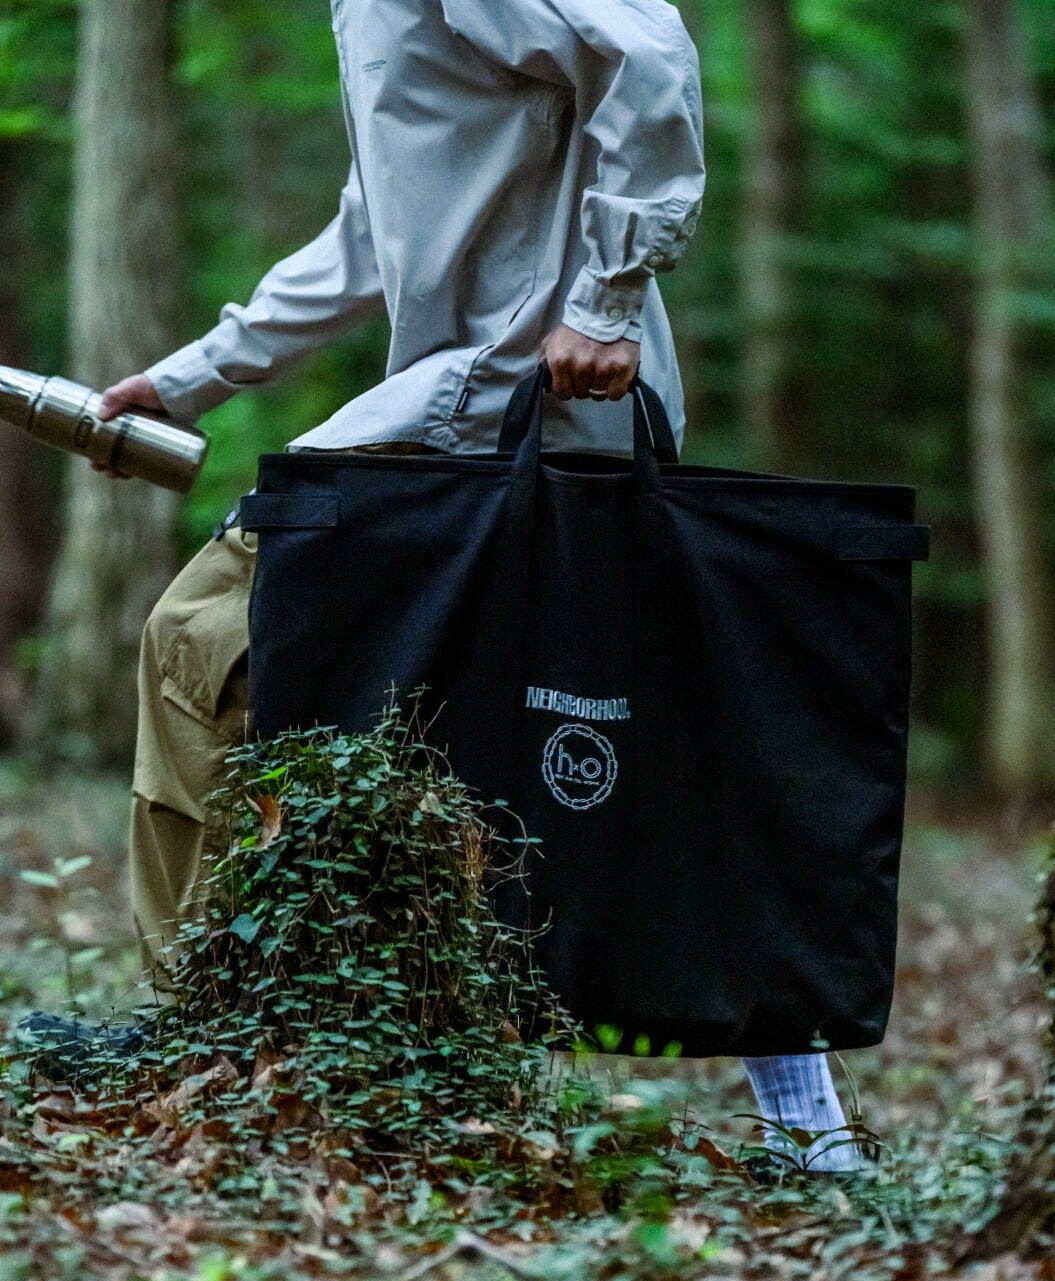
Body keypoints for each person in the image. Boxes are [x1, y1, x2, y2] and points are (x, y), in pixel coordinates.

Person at [17, 0, 861, 1172]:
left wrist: (605, 298)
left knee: (209, 632)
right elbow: (376, 232)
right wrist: (191, 377)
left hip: (514, 396)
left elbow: (650, 49)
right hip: (498, 407)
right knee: (605, 735)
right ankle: (803, 1127)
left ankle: (207, 1033)